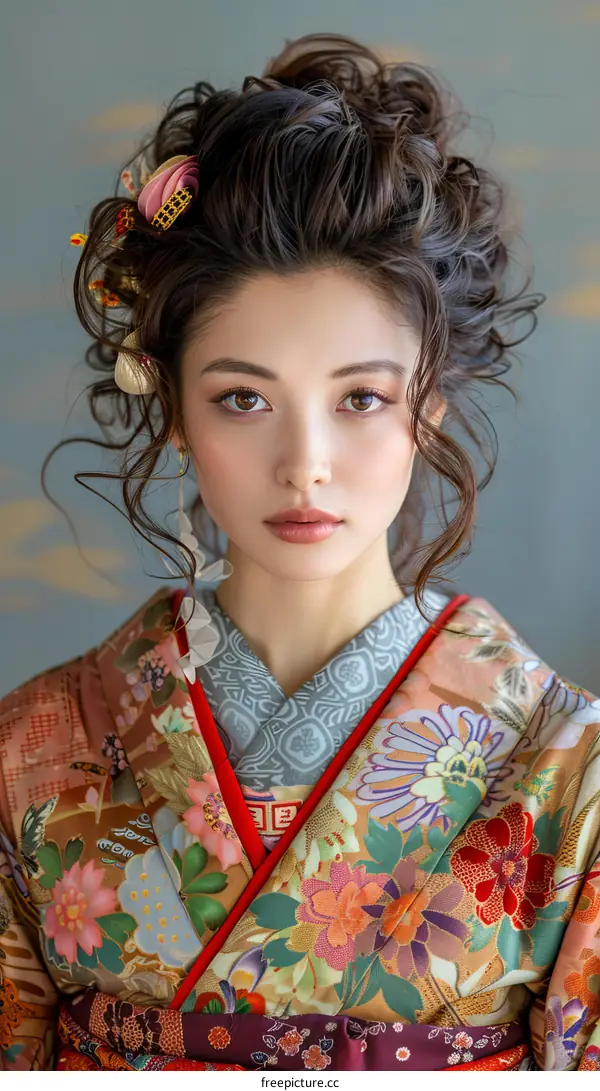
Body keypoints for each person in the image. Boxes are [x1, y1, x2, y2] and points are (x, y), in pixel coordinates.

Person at [0, 32, 598, 1075]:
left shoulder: (566, 769)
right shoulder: (31, 755)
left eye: (360, 397)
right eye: (244, 398)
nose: (304, 464)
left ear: (430, 405)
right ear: (177, 413)